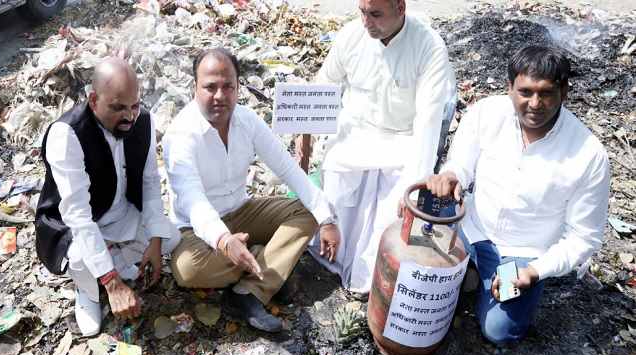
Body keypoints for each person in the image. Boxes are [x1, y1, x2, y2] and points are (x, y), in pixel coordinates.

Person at [426, 45, 610, 345]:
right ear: (509, 88)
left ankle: (489, 281)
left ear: (564, 91)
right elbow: (461, 165)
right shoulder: (486, 113)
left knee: (499, 331)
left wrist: (534, 271)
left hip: (521, 254)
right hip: (471, 227)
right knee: (415, 254)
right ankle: (471, 271)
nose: (535, 104)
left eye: (546, 93)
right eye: (525, 92)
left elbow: (584, 238)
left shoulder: (588, 155)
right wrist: (451, 175)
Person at [162, 48, 341, 332]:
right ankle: (267, 264)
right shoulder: (180, 135)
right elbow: (192, 200)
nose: (220, 96)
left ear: (237, 87)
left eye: (228, 87)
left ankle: (247, 291)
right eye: (210, 87)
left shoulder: (247, 120)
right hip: (195, 230)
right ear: (194, 88)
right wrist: (224, 241)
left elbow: (287, 169)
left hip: (242, 211)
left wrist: (327, 219)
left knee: (309, 212)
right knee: (186, 271)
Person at [301, 0, 456, 293]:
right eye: (362, 12)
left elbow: (428, 121)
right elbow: (325, 85)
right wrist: (305, 133)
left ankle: (372, 277)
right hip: (355, 135)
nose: (366, 22)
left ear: (400, 7)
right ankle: (331, 261)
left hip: (403, 140)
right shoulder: (350, 35)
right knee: (335, 186)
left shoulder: (429, 46)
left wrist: (414, 183)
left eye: (375, 14)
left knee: (392, 213)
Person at [35, 57, 180, 336]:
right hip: (73, 224)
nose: (128, 117)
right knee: (79, 257)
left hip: (121, 213)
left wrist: (155, 241)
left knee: (171, 237)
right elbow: (77, 216)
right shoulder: (67, 134)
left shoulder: (143, 120)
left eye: (134, 106)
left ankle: (112, 260)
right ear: (93, 100)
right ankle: (89, 290)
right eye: (117, 108)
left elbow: (150, 182)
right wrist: (112, 282)